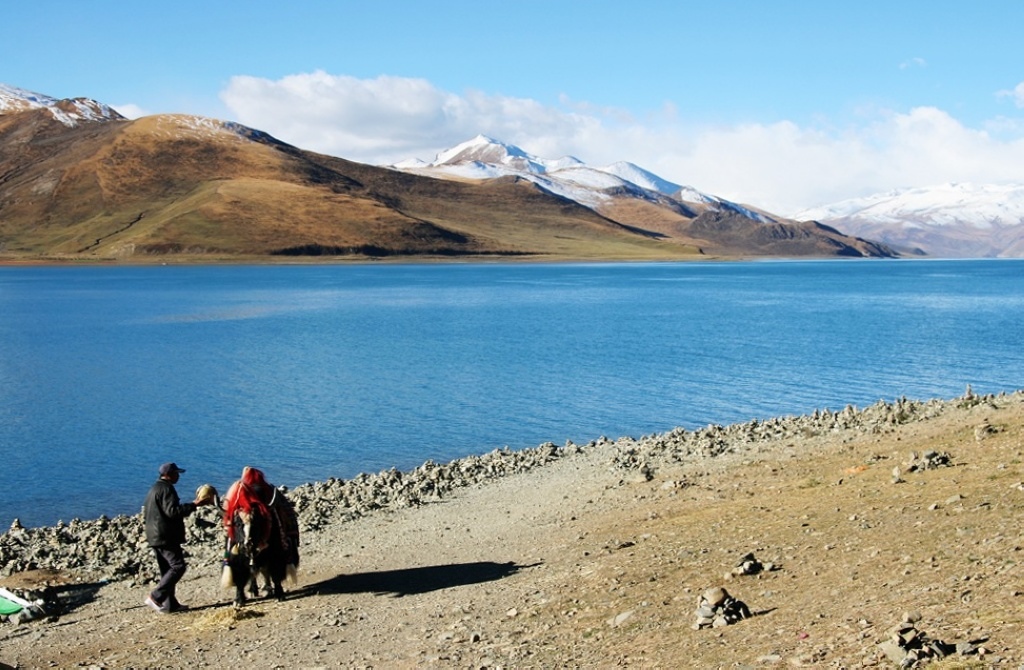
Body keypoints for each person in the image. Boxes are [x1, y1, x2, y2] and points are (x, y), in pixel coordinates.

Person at [142, 462, 211, 614]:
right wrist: (195, 504)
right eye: (176, 473)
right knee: (178, 566)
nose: (178, 476)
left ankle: (170, 605)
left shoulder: (154, 488)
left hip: (154, 535)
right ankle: (156, 597)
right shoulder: (167, 489)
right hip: (165, 535)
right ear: (168, 474)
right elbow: (172, 512)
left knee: (166, 570)